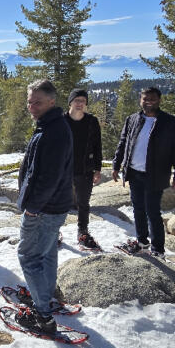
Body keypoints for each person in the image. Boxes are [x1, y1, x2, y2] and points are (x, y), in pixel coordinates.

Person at [15, 79, 74, 335]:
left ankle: (42, 315)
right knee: (48, 253)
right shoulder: (51, 125)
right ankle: (44, 297)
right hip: (54, 206)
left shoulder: (53, 131)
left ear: (52, 101)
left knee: (29, 257)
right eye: (29, 101)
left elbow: (48, 176)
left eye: (37, 102)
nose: (31, 106)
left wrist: (33, 208)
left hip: (44, 208)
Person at [112, 87, 175, 257]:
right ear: (141, 99)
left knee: (152, 212)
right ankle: (142, 242)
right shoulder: (132, 119)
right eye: (145, 99)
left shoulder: (170, 122)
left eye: (152, 99)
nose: (148, 102)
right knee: (138, 208)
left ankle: (158, 250)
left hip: (155, 174)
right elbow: (123, 143)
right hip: (134, 172)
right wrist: (116, 165)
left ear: (159, 100)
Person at [64, 88, 103, 250]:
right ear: (70, 102)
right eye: (76, 100)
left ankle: (83, 231)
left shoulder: (92, 121)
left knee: (83, 203)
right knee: (57, 201)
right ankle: (53, 231)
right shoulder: (61, 120)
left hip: (85, 168)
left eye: (83, 101)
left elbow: (97, 145)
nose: (80, 104)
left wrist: (97, 168)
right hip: (63, 169)